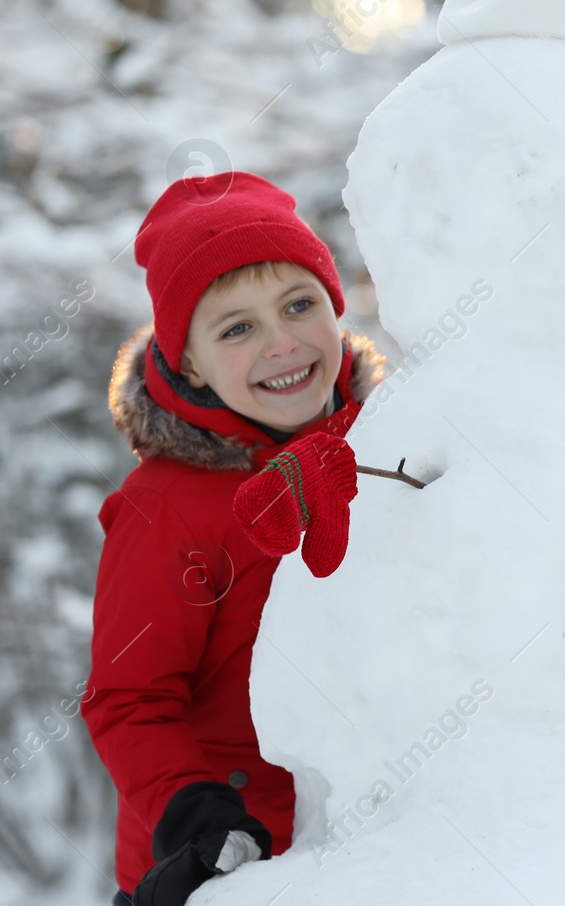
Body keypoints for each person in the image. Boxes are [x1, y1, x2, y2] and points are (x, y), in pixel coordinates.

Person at [84, 172, 383, 906]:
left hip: (368, 850)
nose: (282, 343)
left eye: (299, 304)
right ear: (188, 360)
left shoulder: (392, 449)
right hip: (223, 861)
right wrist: (194, 809)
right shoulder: (168, 507)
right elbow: (129, 697)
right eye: (237, 327)